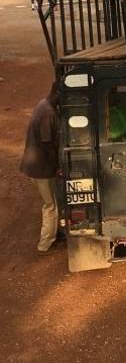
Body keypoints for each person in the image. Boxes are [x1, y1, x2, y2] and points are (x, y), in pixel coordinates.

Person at [20, 84, 60, 254]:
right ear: (58, 93)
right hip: (42, 169)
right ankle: (45, 243)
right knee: (50, 206)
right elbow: (46, 143)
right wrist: (57, 166)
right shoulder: (48, 113)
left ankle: (55, 232)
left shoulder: (42, 103)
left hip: (33, 165)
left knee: (52, 201)